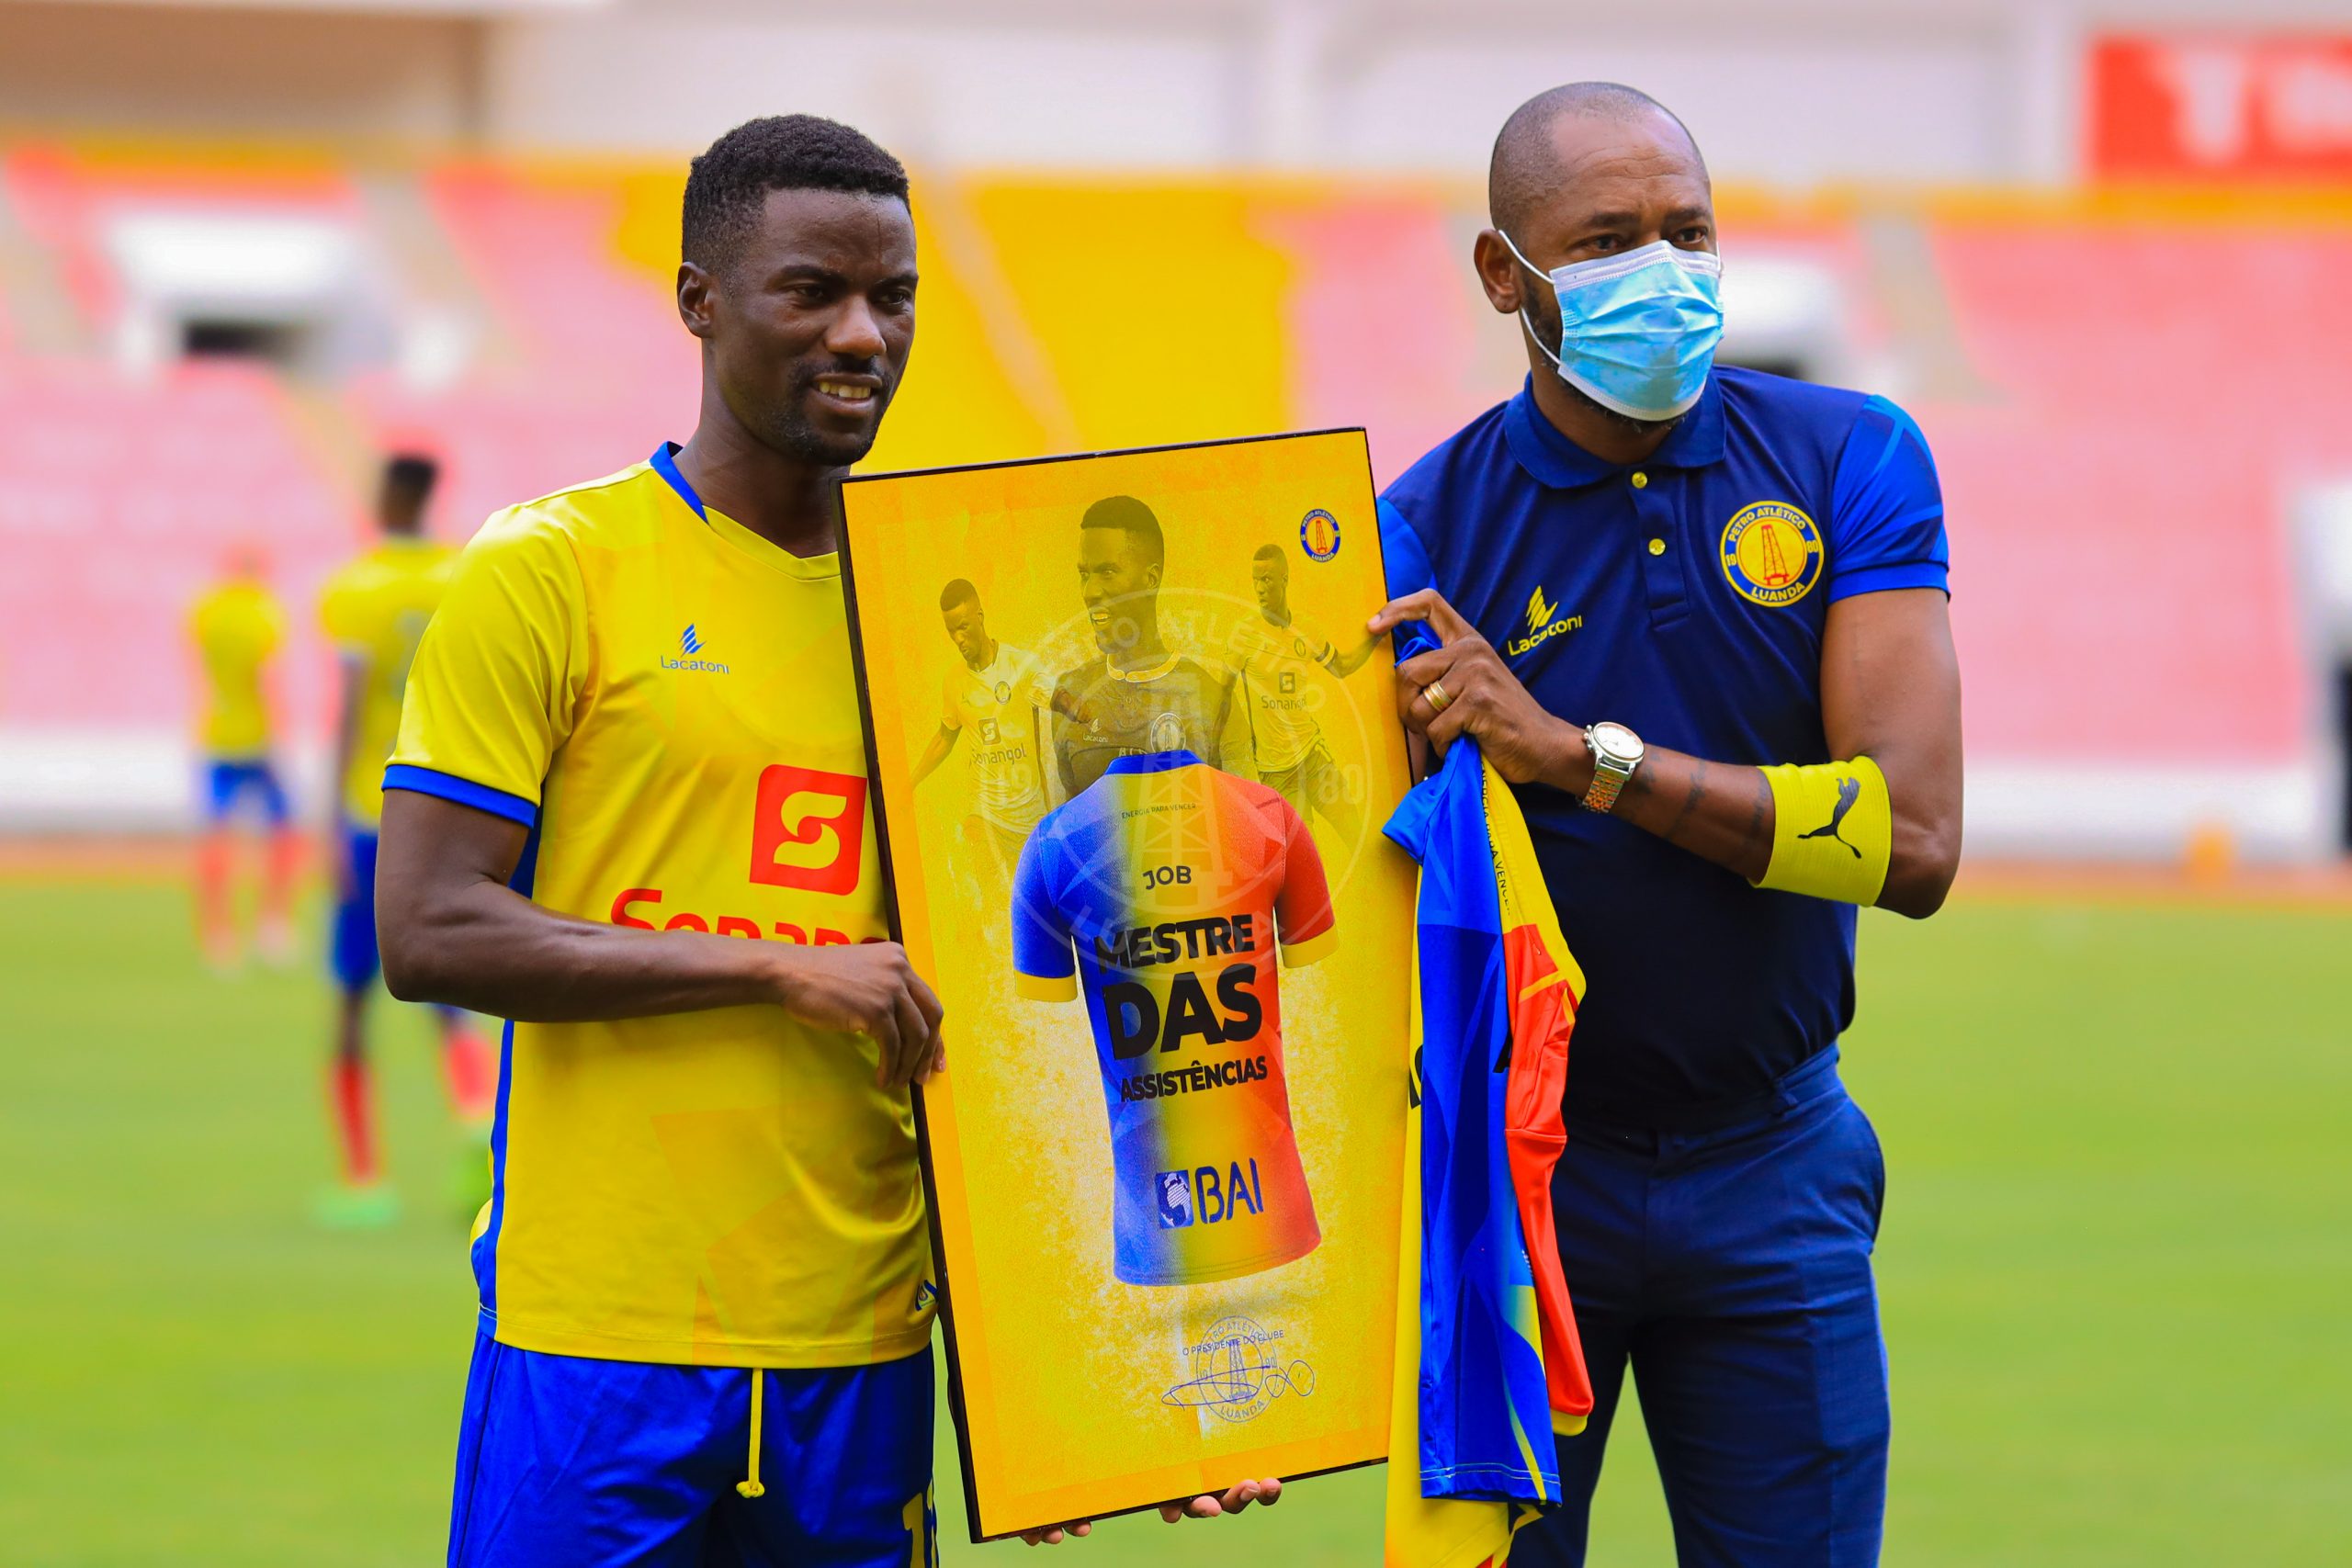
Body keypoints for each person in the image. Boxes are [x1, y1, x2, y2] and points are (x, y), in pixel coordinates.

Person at [372, 115, 1276, 1565]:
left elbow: (1032, 1010)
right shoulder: (553, 569)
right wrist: (775, 968)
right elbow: (430, 927)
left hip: (862, 1352)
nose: (864, 333)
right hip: (596, 1343)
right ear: (699, 299)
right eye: (813, 290)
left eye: (893, 297)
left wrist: (1099, 1388)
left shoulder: (963, 621)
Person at [1367, 83, 1962, 1566]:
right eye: (1608, 239)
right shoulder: (1414, 533)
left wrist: (1580, 759)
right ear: (1504, 273)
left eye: (1688, 232)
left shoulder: (1850, 456)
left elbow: (1912, 842)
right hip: (1513, 1184)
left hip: (1775, 1164)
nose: (1665, 271)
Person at [315, 454, 495, 1227]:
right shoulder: (465, 575)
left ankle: (364, 1181)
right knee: (449, 991)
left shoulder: (356, 588)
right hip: (443, 810)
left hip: (370, 814)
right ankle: (475, 1119)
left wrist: (329, 818)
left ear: (389, 494)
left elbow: (349, 710)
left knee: (352, 1001)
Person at [1051, 495, 1239, 795]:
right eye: (1084, 575)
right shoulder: (1071, 693)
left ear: (1151, 578)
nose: (1089, 592)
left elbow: (1244, 814)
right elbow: (1069, 813)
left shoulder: (1210, 699)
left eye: (1107, 572)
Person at [186, 543, 300, 970]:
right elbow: (268, 678)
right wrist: (281, 733)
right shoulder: (264, 613)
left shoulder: (206, 611)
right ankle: (273, 923)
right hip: (257, 738)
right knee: (284, 829)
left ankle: (217, 932)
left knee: (216, 835)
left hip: (216, 734)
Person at [1229, 543, 1377, 847]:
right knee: (1306, 856)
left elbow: (1341, 667)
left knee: (1356, 834)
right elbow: (1221, 697)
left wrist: (1376, 636)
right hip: (1276, 772)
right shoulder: (1244, 634)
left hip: (1311, 755)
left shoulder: (1306, 628)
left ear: (1284, 579)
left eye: (1267, 579)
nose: (1259, 588)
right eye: (1255, 580)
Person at [911, 578, 1054, 868]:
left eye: (963, 627)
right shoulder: (954, 681)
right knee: (985, 874)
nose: (958, 639)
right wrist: (907, 785)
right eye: (951, 631)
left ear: (980, 616)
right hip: (984, 814)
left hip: (1029, 818)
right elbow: (944, 738)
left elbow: (1057, 716)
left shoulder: (1020, 666)